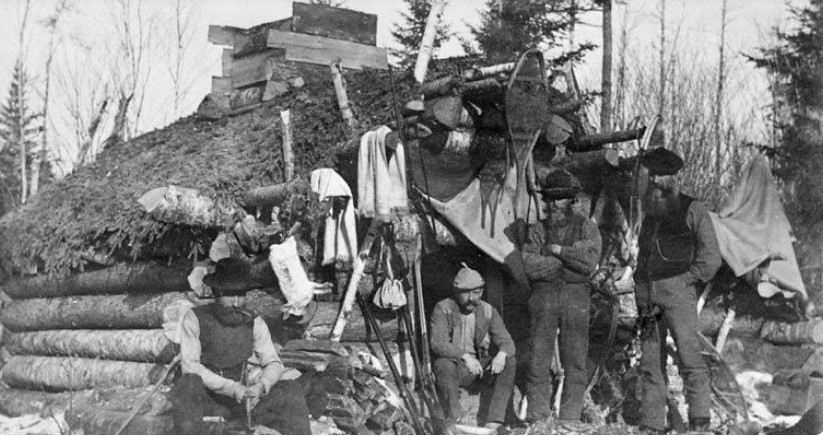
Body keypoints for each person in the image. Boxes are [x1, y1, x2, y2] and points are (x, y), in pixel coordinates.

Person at [634, 148, 722, 434]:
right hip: (648, 296)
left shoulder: (693, 209)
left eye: (660, 176)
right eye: (652, 175)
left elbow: (711, 258)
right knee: (650, 359)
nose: (654, 181)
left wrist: (687, 280)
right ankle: (652, 423)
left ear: (672, 178)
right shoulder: (649, 213)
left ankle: (699, 421)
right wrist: (640, 287)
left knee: (689, 355)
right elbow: (643, 256)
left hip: (678, 294)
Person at [171, 259, 311, 434]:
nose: (236, 302)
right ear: (216, 292)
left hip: (241, 403)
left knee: (290, 389)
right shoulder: (195, 318)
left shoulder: (254, 322)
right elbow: (190, 367)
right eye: (230, 295)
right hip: (207, 401)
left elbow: (273, 362)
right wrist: (233, 388)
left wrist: (261, 386)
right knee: (188, 384)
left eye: (241, 294)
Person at [520, 168, 602, 425]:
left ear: (572, 200)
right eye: (551, 198)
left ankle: (570, 420)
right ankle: (538, 420)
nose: (555, 204)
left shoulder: (587, 228)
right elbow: (530, 265)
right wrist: (567, 259)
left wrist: (556, 250)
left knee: (575, 360)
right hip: (543, 297)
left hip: (576, 299)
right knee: (537, 358)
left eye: (561, 198)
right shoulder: (537, 230)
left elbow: (589, 263)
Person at [430, 263, 517, 432]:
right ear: (456, 292)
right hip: (456, 367)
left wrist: (502, 354)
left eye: (476, 292)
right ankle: (455, 418)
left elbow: (508, 342)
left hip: (479, 368)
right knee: (443, 365)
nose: (471, 298)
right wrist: (465, 356)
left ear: (482, 292)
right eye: (465, 293)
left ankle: (494, 421)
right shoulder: (443, 308)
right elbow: (438, 343)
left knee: (509, 361)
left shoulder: (488, 310)